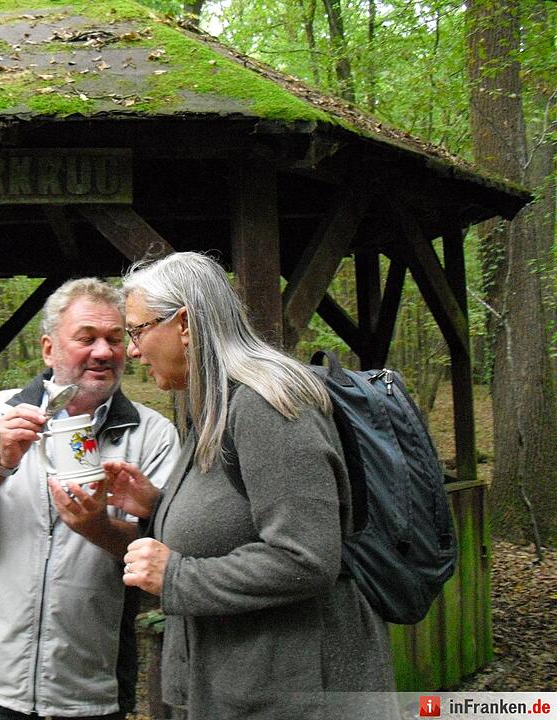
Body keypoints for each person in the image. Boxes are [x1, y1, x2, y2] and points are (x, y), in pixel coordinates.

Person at [105, 252, 398, 719]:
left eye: (137, 331)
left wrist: (177, 576)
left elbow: (305, 555)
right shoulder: (210, 402)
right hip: (252, 685)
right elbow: (237, 516)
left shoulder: (266, 404)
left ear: (185, 324)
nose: (133, 350)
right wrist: (157, 507)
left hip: (301, 690)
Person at [0, 277, 181, 720]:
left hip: (91, 688)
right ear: (48, 350)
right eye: (86, 339)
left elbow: (170, 548)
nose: (103, 352)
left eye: (115, 339)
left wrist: (96, 527)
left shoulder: (152, 434)